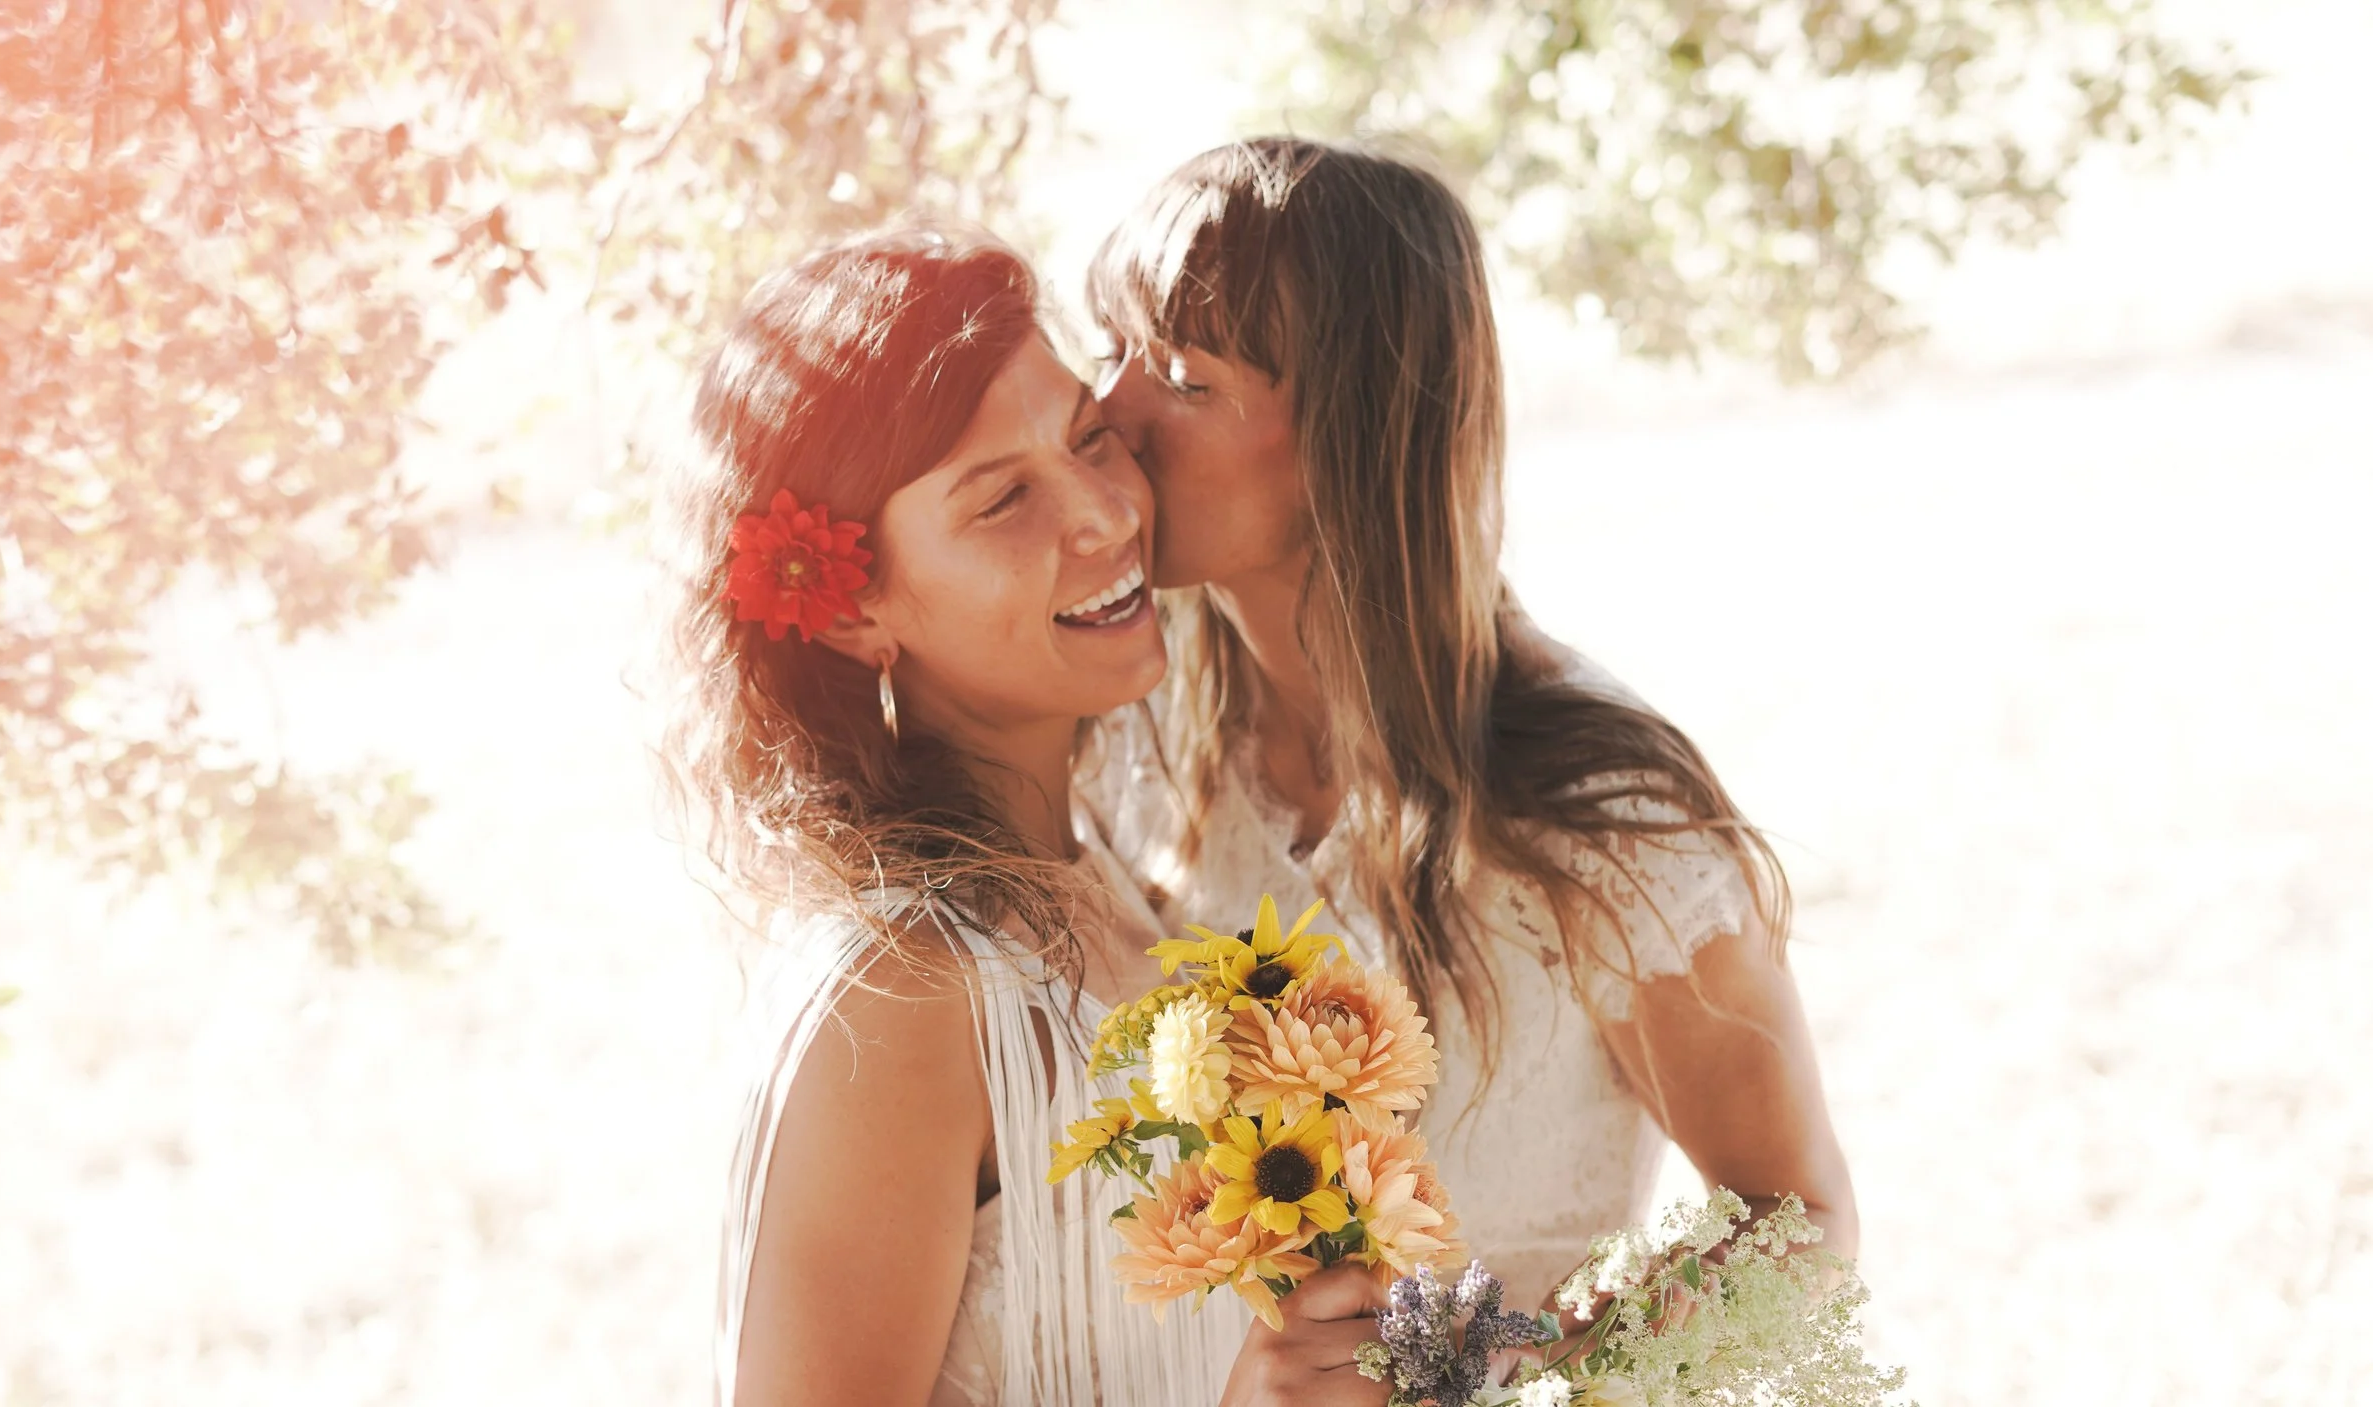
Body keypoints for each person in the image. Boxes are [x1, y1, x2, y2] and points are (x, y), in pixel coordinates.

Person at [1081, 139, 1861, 1402]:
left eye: (1180, 376)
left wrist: (1469, 1372)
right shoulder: (1128, 729)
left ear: (1350, 431)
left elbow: (1797, 1226)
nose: (1106, 413)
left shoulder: (1599, 819)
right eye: (1104, 345)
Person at [665, 228, 1246, 1405]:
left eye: (1089, 438)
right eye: (1002, 502)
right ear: (847, 615)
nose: (1100, 516)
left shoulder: (1118, 881)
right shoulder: (904, 996)